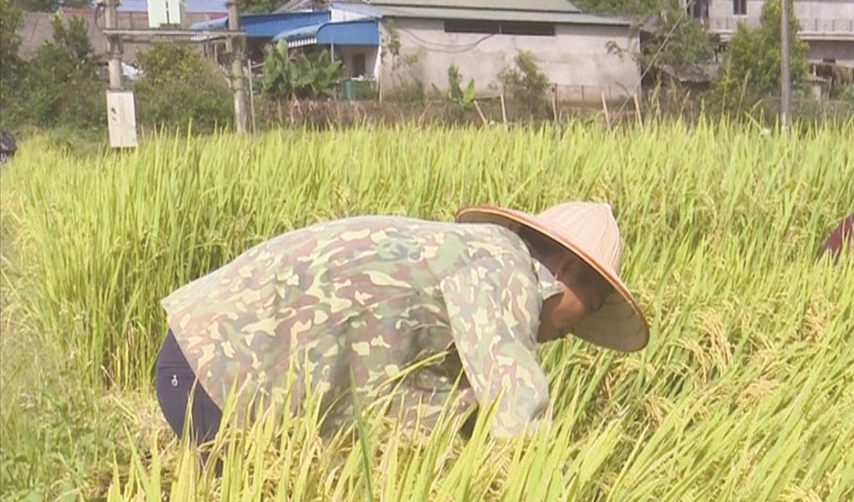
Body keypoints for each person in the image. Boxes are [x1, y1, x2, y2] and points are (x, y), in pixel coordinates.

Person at [152, 200, 647, 451]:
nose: (580, 326)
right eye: (596, 301)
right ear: (567, 273)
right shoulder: (506, 271)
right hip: (217, 377)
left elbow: (435, 399)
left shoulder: (483, 260)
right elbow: (516, 412)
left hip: (197, 357)